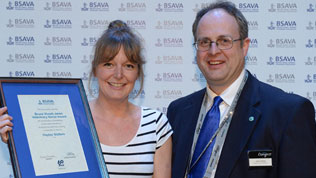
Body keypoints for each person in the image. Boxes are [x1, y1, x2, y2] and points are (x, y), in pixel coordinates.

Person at [0, 20, 173, 178]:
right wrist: (18, 140)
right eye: (109, 64)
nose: (118, 74)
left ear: (138, 73)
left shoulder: (156, 124)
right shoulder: (69, 119)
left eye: (128, 66)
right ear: (95, 69)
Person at [167, 1, 316, 178]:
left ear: (244, 46)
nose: (213, 51)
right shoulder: (178, 112)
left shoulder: (288, 113)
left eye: (224, 41)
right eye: (204, 42)